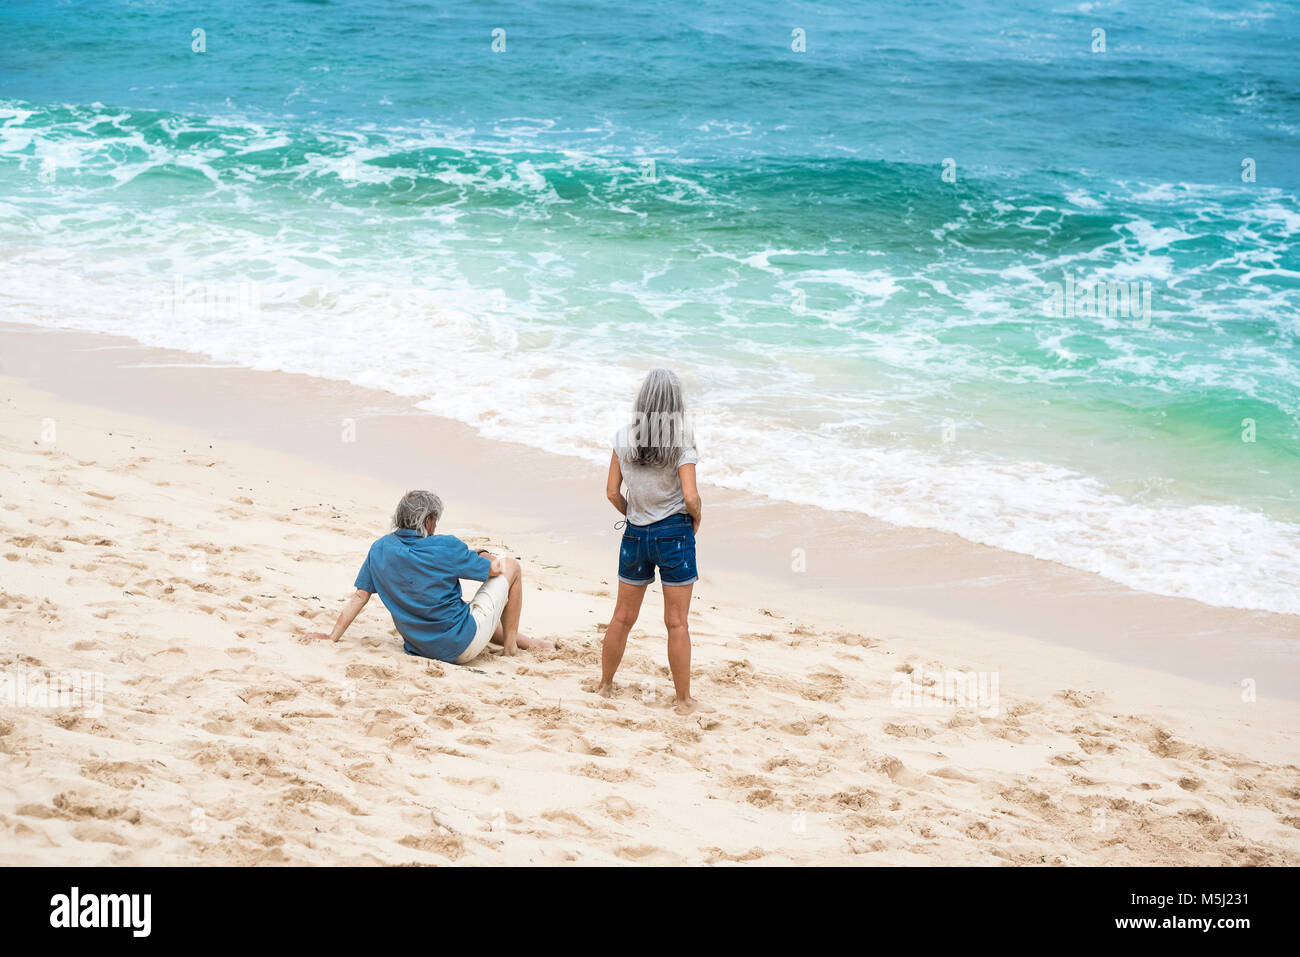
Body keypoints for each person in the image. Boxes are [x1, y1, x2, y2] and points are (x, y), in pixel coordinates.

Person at [301, 490, 549, 662]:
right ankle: (510, 650)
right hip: (460, 647)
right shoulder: (445, 546)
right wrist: (481, 553)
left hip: (421, 647)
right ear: (428, 521)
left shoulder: (379, 548)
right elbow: (497, 569)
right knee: (512, 566)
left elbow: (360, 596)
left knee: (469, 612)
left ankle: (531, 643)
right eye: (436, 520)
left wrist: (332, 636)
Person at [595, 368, 708, 714]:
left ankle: (605, 685)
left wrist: (634, 513)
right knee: (676, 622)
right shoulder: (682, 441)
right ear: (676, 404)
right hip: (674, 533)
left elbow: (612, 492)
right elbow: (690, 497)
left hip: (634, 533)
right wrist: (697, 520)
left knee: (622, 617)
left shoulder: (623, 437)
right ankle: (683, 701)